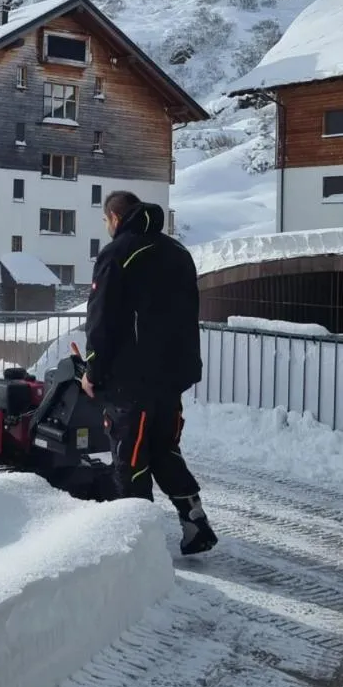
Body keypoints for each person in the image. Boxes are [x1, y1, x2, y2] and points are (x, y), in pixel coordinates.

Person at [81, 190, 217, 556]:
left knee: (130, 459)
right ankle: (195, 521)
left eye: (105, 221)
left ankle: (140, 546)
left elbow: (102, 319)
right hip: (171, 378)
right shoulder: (178, 253)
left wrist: (92, 370)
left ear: (113, 217)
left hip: (131, 380)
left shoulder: (117, 254)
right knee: (163, 449)